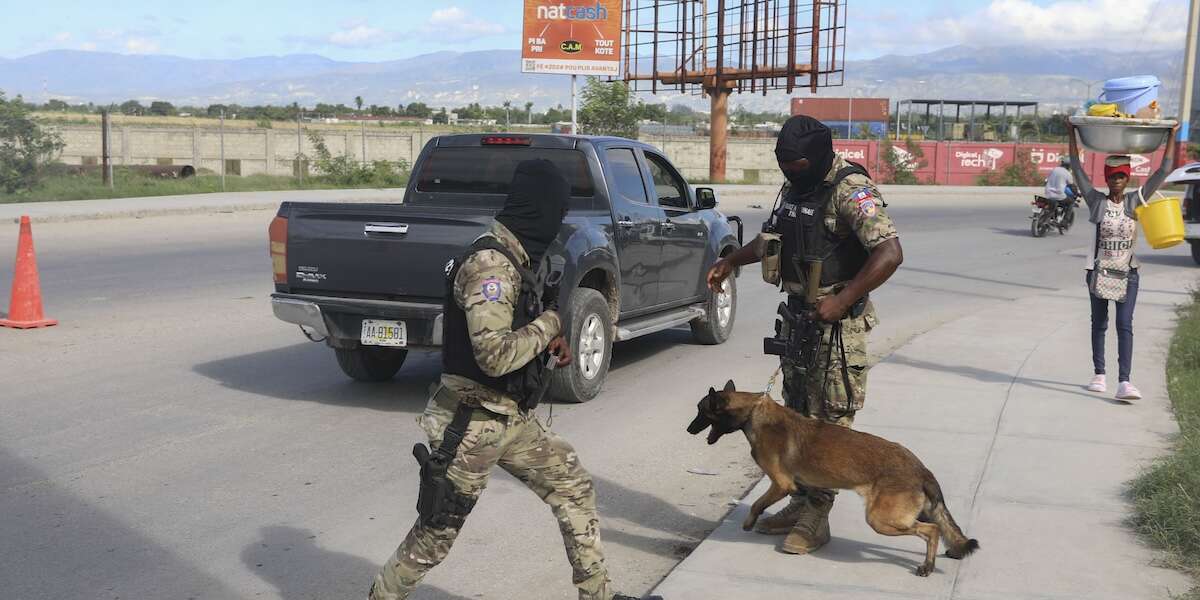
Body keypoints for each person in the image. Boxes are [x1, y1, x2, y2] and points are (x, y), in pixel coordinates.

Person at [370, 160, 658, 600]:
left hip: (512, 418)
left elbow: (518, 333)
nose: (560, 222)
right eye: (556, 211)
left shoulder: (519, 257)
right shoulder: (490, 265)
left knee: (573, 488)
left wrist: (548, 340)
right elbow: (494, 355)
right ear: (538, 208)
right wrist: (548, 324)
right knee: (435, 533)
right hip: (472, 425)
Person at [706, 115, 903, 554]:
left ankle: (817, 515)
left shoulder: (851, 189)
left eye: (796, 164)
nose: (790, 171)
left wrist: (844, 299)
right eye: (784, 164)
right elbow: (772, 239)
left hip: (836, 328)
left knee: (829, 428)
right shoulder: (796, 188)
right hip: (800, 321)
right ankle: (799, 503)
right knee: (793, 421)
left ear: (816, 157)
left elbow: (890, 252)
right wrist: (731, 261)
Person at [1067, 122, 1177, 401]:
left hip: (1128, 273)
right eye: (1112, 177)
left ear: (1127, 179)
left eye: (1121, 177)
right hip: (1099, 272)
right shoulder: (1096, 202)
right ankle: (1099, 374)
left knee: (1124, 324)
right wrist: (1073, 133)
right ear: (1107, 178)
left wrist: (1171, 135)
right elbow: (1077, 170)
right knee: (1099, 323)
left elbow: (1163, 171)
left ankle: (1125, 382)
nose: (1116, 181)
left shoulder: (1134, 201)